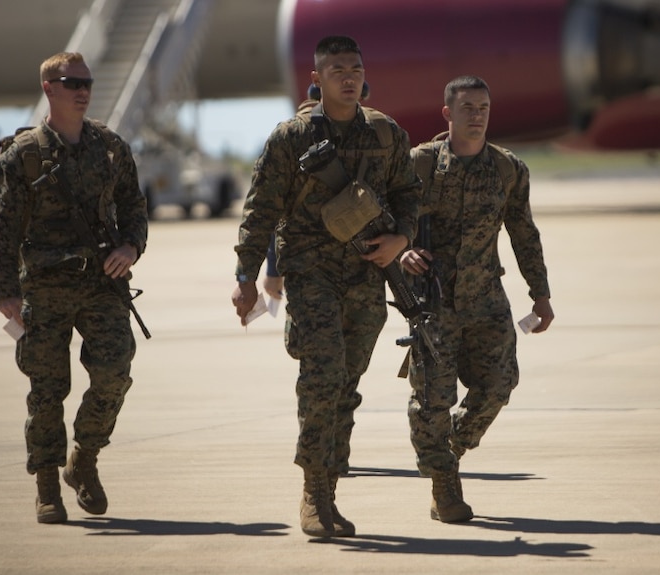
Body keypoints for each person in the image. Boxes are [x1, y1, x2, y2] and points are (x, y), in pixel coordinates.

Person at [231, 35, 420, 538]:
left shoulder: (386, 133)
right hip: (312, 276)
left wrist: (401, 237)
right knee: (323, 375)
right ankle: (314, 493)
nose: (348, 76)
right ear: (316, 79)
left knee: (345, 386)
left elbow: (409, 194)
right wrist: (246, 275)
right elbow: (260, 212)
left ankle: (330, 489)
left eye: (355, 67)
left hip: (366, 276)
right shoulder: (290, 138)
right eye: (336, 69)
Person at [0, 52, 148, 524]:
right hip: (43, 287)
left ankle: (86, 458)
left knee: (115, 371)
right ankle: (46, 487)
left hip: (102, 283)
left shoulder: (111, 147)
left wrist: (131, 247)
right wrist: (5, 292)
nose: (82, 89)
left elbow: (134, 207)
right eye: (71, 81)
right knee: (47, 390)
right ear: (48, 88)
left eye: (87, 81)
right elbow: (2, 228)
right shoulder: (23, 156)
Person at [399, 75, 554, 523]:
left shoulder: (508, 169)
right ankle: (444, 486)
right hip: (434, 301)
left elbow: (524, 234)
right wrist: (402, 247)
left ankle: (448, 449)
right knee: (432, 400)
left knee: (497, 387)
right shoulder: (419, 165)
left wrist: (540, 295)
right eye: (467, 107)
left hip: (487, 299)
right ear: (447, 113)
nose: (477, 115)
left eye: (483, 107)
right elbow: (385, 217)